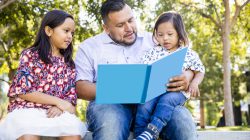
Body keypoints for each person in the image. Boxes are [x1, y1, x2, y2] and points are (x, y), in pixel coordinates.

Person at [75, 0, 197, 140]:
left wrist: (187, 76)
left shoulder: (155, 40)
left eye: (131, 20)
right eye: (120, 25)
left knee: (183, 120)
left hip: (154, 105)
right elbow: (80, 88)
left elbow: (188, 59)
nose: (129, 28)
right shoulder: (89, 47)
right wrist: (122, 89)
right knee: (111, 123)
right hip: (110, 106)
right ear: (106, 28)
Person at [0, 10, 86, 140]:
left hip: (56, 113)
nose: (70, 36)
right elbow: (24, 91)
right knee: (28, 134)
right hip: (27, 111)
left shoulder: (69, 64)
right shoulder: (30, 55)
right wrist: (59, 102)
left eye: (72, 33)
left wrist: (61, 107)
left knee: (72, 133)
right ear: (49, 31)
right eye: (66, 31)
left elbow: (70, 105)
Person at [135, 11, 205, 140]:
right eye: (160, 35)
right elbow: (142, 71)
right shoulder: (152, 52)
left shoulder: (188, 53)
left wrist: (194, 83)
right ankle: (140, 135)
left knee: (166, 100)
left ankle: (153, 130)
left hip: (176, 92)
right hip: (154, 90)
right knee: (144, 105)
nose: (165, 38)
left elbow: (199, 70)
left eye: (170, 34)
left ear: (179, 34)